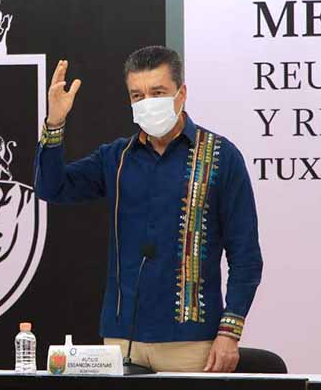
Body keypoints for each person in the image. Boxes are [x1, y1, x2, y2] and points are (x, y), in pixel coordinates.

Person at [34, 46, 263, 372]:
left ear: (181, 93)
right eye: (137, 96)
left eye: (158, 93)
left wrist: (229, 331)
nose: (148, 103)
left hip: (191, 343)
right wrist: (55, 122)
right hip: (122, 340)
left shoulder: (221, 157)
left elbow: (246, 257)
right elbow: (51, 188)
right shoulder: (116, 158)